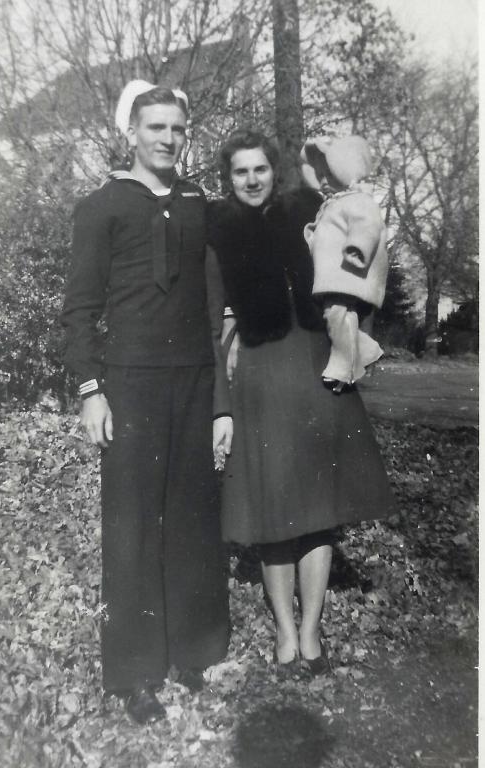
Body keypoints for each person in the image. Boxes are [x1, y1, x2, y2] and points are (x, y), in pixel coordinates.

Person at [62, 81, 233, 724]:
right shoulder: (102, 207)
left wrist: (221, 402)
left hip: (191, 378)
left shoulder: (199, 205)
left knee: (191, 518)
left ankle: (191, 652)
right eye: (155, 128)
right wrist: (89, 389)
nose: (167, 139)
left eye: (177, 130)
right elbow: (80, 308)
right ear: (131, 132)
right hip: (129, 382)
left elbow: (219, 303)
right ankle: (134, 672)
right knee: (132, 525)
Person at [207, 129, 394, 674]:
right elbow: (212, 318)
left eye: (259, 169)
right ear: (230, 178)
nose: (251, 180)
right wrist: (224, 386)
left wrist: (352, 339)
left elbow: (354, 274)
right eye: (240, 172)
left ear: (274, 170)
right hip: (262, 377)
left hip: (316, 366)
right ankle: (285, 635)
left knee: (317, 512)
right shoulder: (218, 232)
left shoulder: (308, 210)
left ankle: (311, 632)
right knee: (273, 511)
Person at [301, 135, 388, 391]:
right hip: (334, 277)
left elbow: (368, 226)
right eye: (320, 175)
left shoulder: (359, 200)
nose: (324, 180)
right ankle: (367, 350)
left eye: (330, 173)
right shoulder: (334, 204)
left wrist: (357, 248)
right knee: (334, 316)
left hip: (348, 275)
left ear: (346, 171)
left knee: (337, 314)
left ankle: (344, 367)